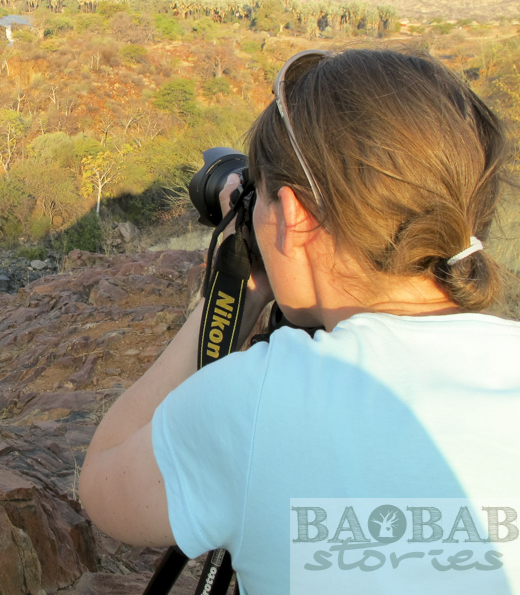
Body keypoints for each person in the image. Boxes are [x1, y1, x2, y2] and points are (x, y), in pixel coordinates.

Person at [79, 48, 520, 595]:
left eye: (259, 199)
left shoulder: (256, 402)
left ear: (292, 217)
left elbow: (103, 482)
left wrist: (236, 285)